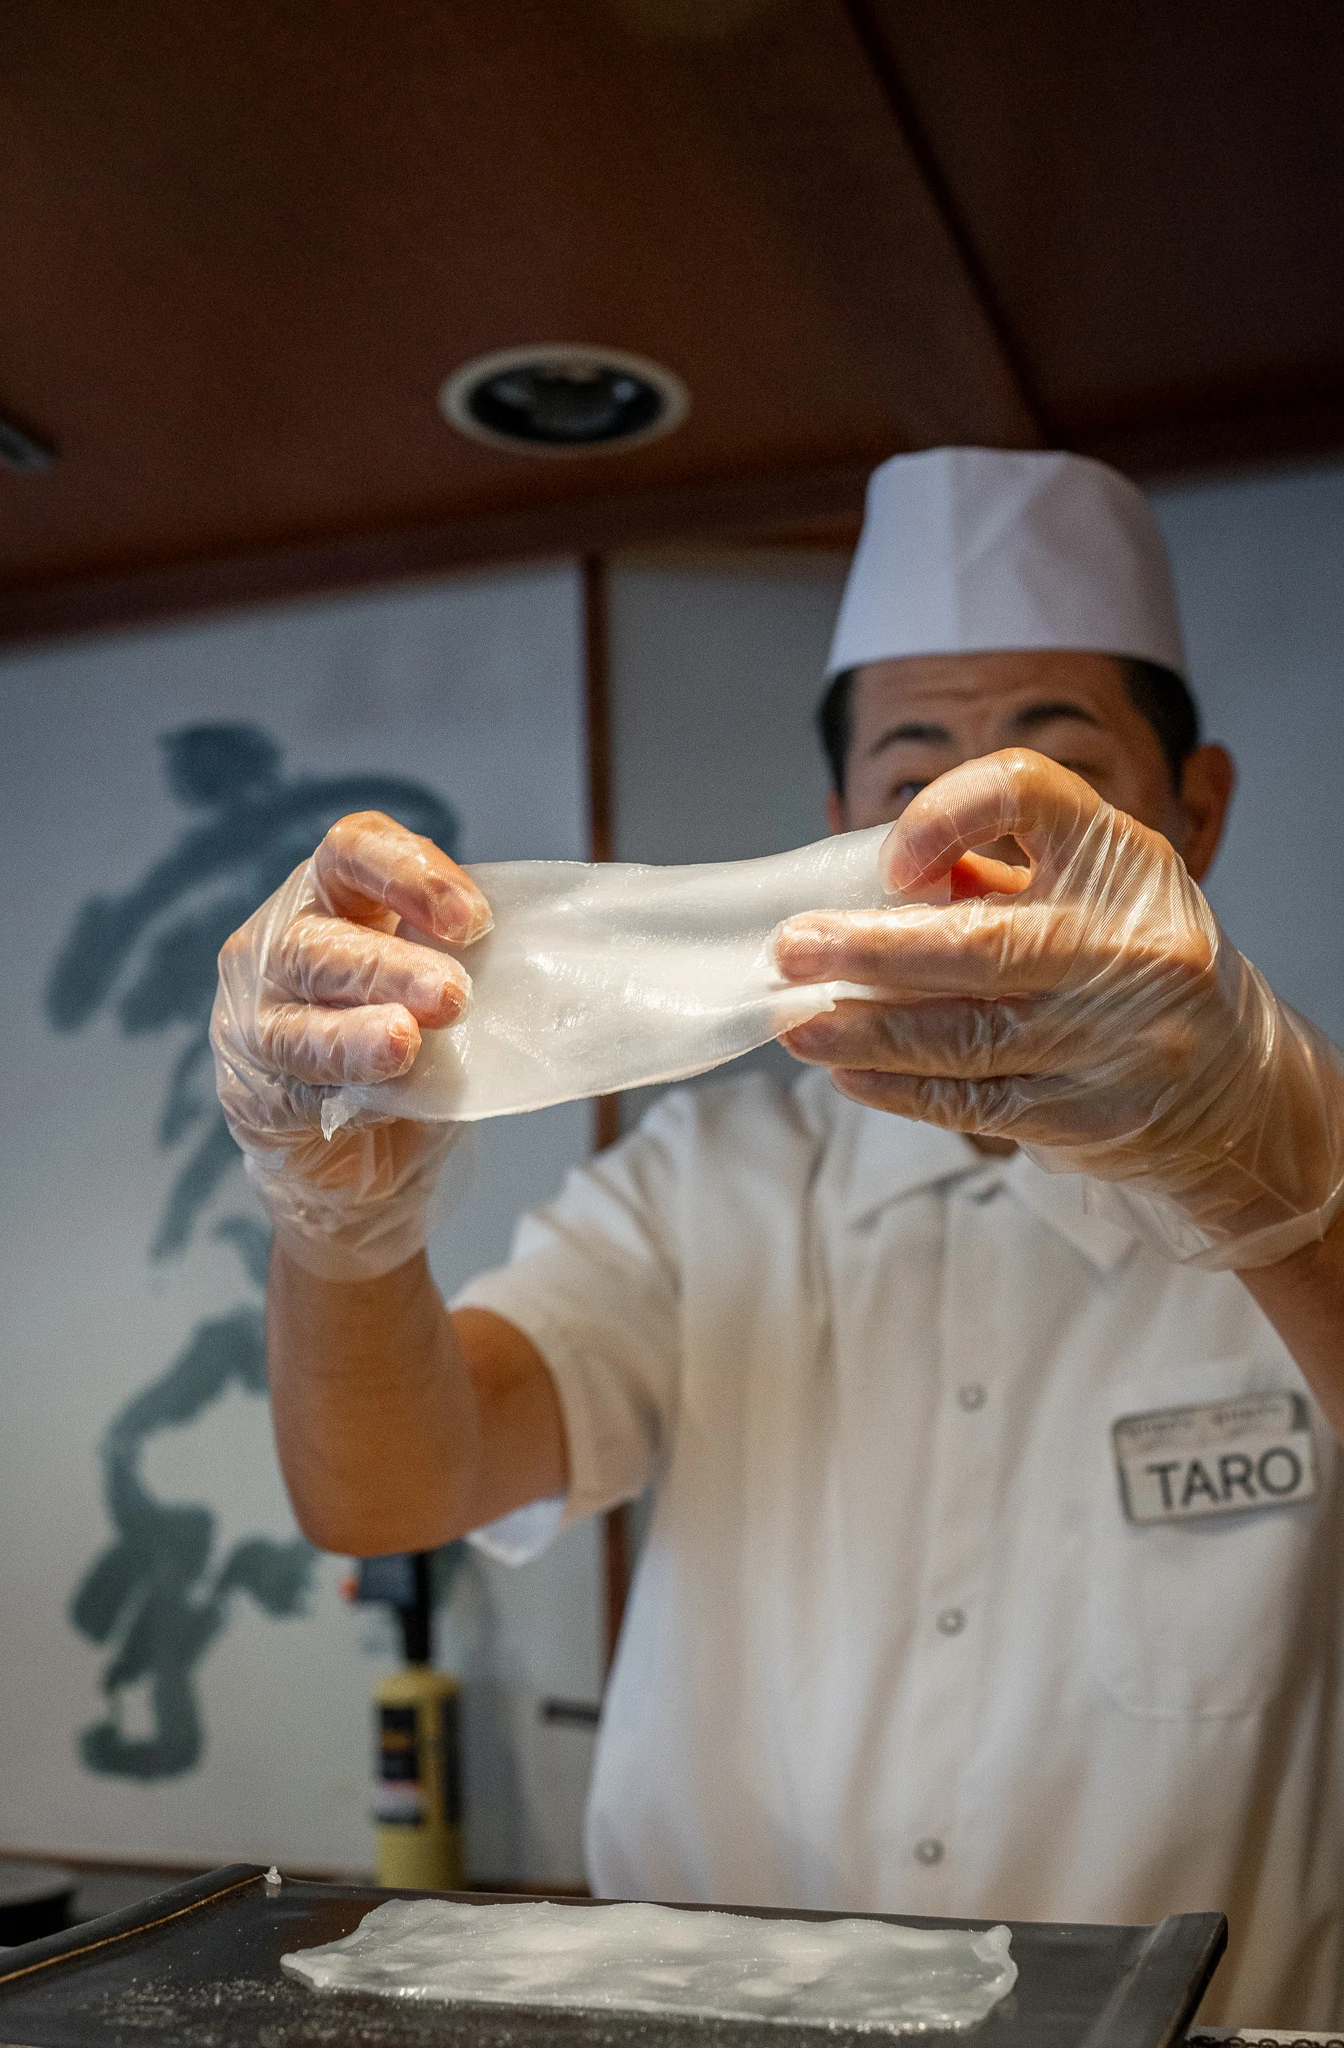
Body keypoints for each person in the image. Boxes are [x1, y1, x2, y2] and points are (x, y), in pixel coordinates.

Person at [212, 448, 1344, 2027]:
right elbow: (388, 1486)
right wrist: (340, 1224)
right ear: (837, 830)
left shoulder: (1311, 1141)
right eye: (913, 776)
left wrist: (1280, 1186)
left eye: (1051, 769)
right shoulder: (704, 1183)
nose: (973, 835)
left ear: (1190, 814)